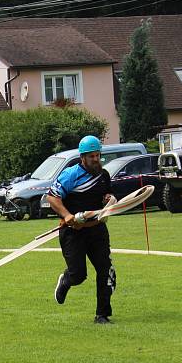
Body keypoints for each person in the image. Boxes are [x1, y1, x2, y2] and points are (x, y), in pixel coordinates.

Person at [47, 135, 116, 324]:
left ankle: (102, 315)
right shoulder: (70, 175)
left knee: (105, 270)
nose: (96, 159)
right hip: (73, 232)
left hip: (97, 229)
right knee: (78, 275)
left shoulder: (104, 175)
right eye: (91, 156)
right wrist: (68, 216)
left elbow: (106, 194)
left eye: (97, 155)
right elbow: (52, 197)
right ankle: (66, 280)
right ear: (82, 157)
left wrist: (108, 199)